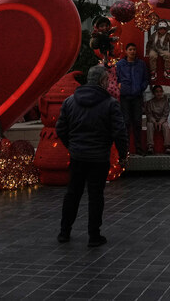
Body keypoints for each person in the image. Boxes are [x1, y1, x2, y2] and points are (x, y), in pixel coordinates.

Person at [56, 64, 128, 247]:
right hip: (99, 158)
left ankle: (64, 232)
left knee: (72, 194)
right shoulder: (111, 104)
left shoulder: (70, 101)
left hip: (77, 156)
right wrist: (122, 155)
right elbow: (120, 132)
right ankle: (94, 235)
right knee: (96, 196)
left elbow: (61, 129)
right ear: (103, 82)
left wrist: (72, 146)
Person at [115, 43, 150, 155]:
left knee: (137, 122)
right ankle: (125, 149)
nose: (132, 51)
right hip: (125, 97)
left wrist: (141, 87)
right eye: (130, 49)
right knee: (125, 122)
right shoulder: (120, 64)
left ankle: (138, 147)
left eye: (134, 49)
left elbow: (146, 78)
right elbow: (117, 77)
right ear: (126, 51)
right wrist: (121, 87)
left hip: (137, 96)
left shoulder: (141, 64)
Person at [144, 84, 170, 154]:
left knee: (165, 126)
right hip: (152, 121)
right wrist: (154, 122)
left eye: (160, 91)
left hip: (162, 121)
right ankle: (150, 146)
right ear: (154, 93)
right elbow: (149, 114)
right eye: (157, 92)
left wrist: (160, 122)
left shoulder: (165, 102)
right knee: (149, 125)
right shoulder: (150, 102)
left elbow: (165, 115)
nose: (158, 93)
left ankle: (167, 146)